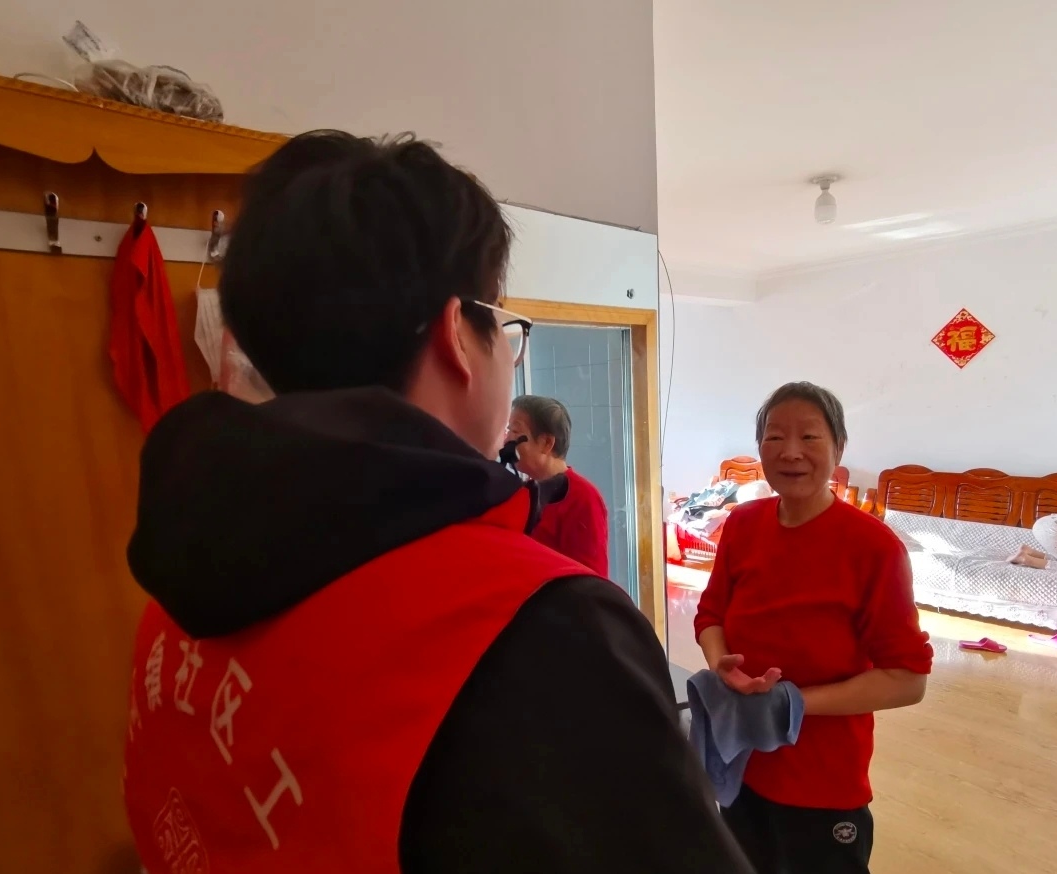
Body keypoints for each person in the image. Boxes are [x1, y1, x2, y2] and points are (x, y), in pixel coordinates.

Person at [121, 130, 754, 874]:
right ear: (458, 332)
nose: (509, 357)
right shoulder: (544, 630)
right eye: (506, 327)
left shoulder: (184, 574)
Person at [695, 381, 933, 874]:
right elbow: (711, 614)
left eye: (809, 437)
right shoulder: (742, 524)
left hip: (822, 782)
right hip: (741, 764)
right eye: (774, 436)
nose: (790, 452)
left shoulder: (873, 548)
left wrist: (793, 704)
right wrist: (722, 666)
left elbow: (908, 679)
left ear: (838, 448)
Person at [506, 394, 611, 576]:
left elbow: (590, 579)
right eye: (508, 430)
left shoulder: (583, 497)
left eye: (515, 431)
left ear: (547, 443)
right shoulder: (524, 491)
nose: (507, 440)